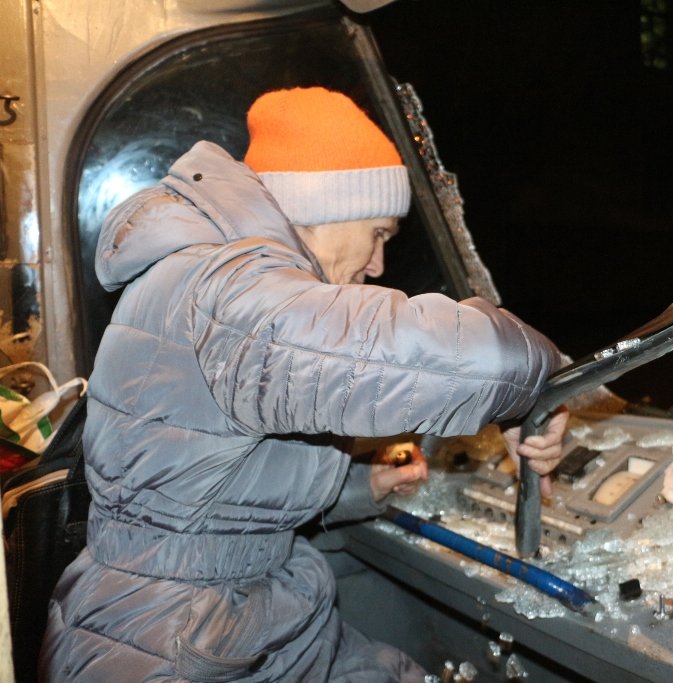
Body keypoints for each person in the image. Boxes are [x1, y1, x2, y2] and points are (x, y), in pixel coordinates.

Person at [41, 87, 567, 682]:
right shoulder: (230, 294)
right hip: (173, 646)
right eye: (378, 233)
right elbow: (443, 358)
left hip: (219, 617)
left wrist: (358, 486)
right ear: (326, 206)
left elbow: (208, 491)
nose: (377, 265)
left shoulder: (216, 282)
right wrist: (540, 377)